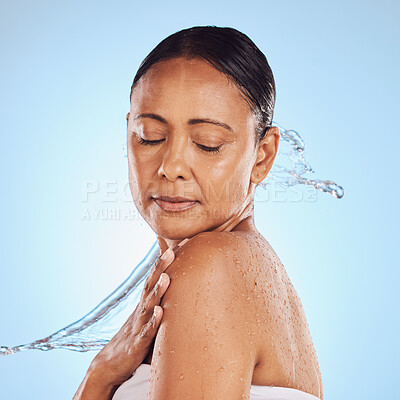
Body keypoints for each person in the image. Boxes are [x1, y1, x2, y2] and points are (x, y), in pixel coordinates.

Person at [73, 25, 323, 400]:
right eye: (150, 136)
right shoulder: (246, 268)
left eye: (208, 144)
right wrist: (101, 373)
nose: (171, 165)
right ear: (128, 133)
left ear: (263, 155)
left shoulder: (211, 267)